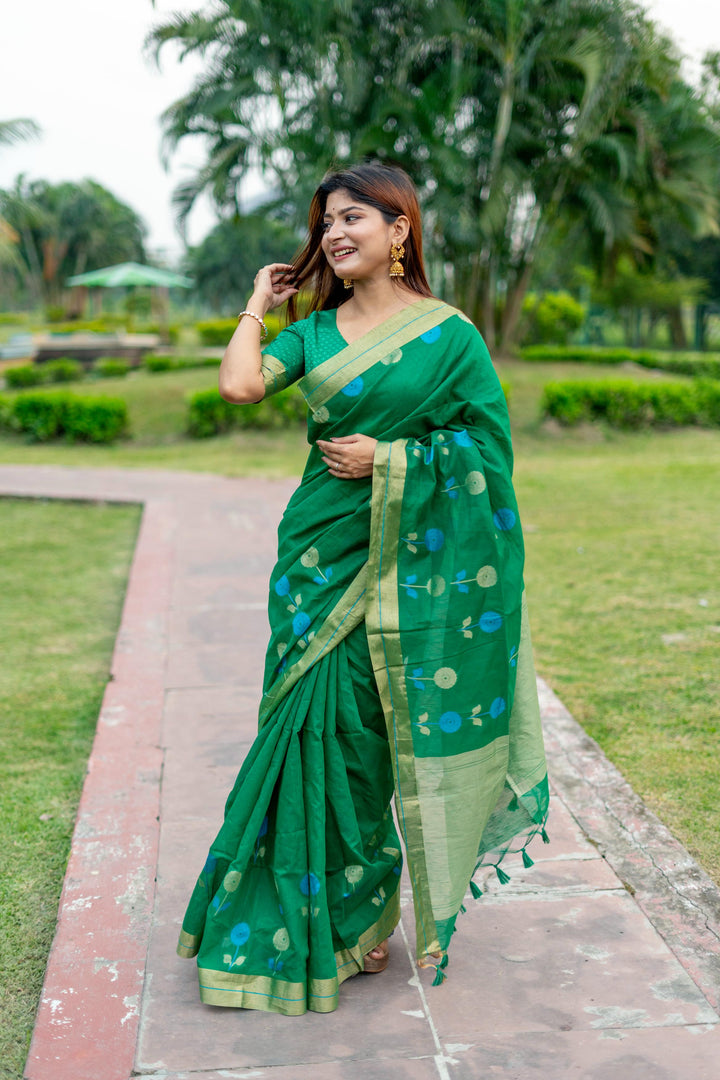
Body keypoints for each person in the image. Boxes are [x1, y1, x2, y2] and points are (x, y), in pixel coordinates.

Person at [177, 161, 549, 1016]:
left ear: (399, 231)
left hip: (409, 565)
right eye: (325, 223)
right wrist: (256, 308)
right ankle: (317, 916)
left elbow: (490, 460)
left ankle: (362, 910)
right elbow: (238, 385)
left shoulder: (450, 336)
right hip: (319, 558)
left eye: (352, 217)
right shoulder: (311, 333)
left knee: (377, 733)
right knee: (316, 728)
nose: (334, 234)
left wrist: (396, 459)